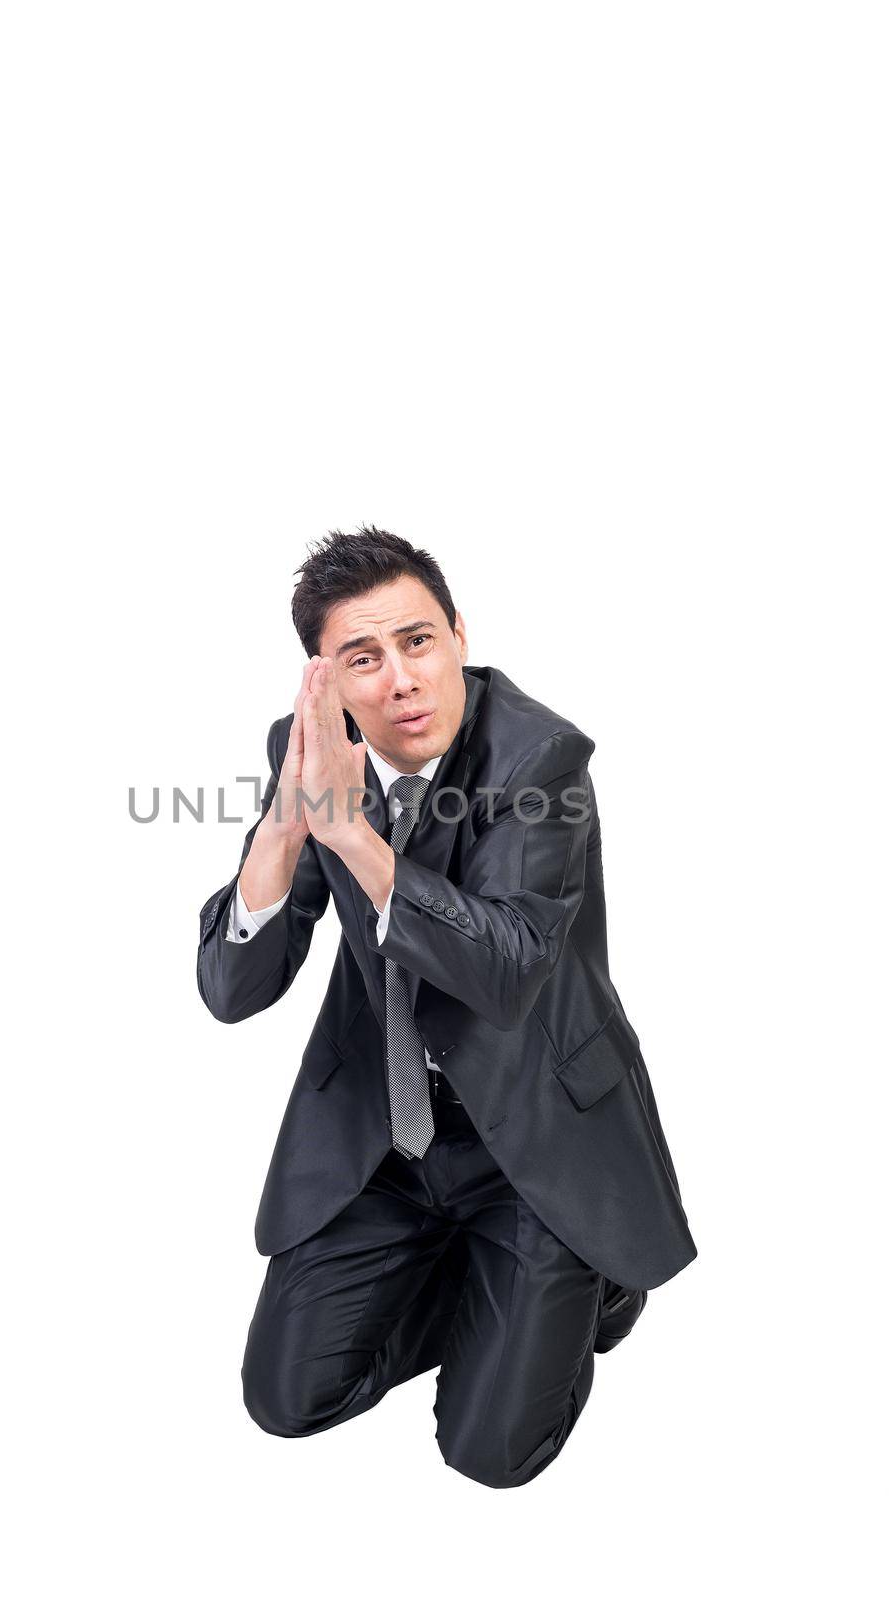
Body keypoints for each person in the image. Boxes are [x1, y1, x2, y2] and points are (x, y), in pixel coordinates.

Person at [196, 525, 696, 1489]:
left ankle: (591, 1280)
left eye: (419, 642)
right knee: (285, 1401)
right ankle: (486, 1293)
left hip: (534, 1138)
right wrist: (291, 830)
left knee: (489, 1456)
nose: (402, 681)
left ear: (460, 633)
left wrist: (358, 839)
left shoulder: (539, 762)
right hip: (388, 1137)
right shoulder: (311, 754)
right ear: (325, 682)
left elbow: (505, 970)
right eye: (363, 658)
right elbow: (233, 991)